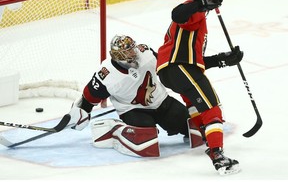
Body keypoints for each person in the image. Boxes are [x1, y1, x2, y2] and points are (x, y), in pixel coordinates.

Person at [67, 33, 243, 173]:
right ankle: (116, 130)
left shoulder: (146, 53)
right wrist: (82, 112)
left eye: (132, 48)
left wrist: (218, 60)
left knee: (195, 130)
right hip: (133, 110)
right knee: (147, 142)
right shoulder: (107, 74)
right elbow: (90, 96)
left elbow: (180, 68)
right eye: (126, 52)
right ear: (117, 56)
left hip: (161, 103)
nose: (132, 53)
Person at [156, 0, 243, 175]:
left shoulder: (195, 23)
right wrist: (199, 3)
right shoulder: (194, 13)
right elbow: (177, 14)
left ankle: (208, 139)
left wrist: (223, 59)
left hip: (172, 72)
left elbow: (196, 60)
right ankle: (218, 156)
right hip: (179, 68)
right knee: (212, 107)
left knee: (196, 105)